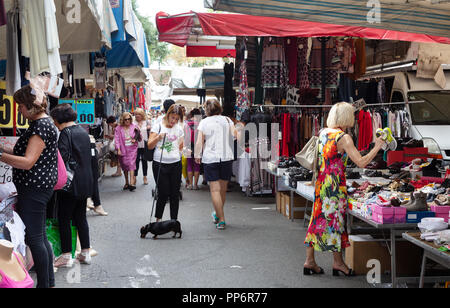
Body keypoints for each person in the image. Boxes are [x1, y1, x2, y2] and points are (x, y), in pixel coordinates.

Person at [303, 102, 386, 277]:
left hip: (321, 183)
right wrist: (378, 146)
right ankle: (338, 263)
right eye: (352, 115)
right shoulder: (344, 138)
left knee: (317, 220)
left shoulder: (323, 133)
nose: (355, 118)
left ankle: (310, 261)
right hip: (334, 186)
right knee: (336, 223)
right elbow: (362, 162)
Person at [0, 84, 58, 288]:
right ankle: (48, 282)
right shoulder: (43, 123)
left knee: (35, 238)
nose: (18, 111)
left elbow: (27, 161)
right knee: (39, 235)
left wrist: (0, 155)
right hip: (38, 187)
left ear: (30, 107)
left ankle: (44, 283)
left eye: (21, 107)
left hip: (34, 189)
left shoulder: (40, 126)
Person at [50, 104, 94, 268]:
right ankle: (85, 252)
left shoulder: (65, 134)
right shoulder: (83, 131)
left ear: (58, 120)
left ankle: (67, 254)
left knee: (64, 218)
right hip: (85, 181)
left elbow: (62, 158)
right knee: (81, 217)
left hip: (70, 183)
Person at [195, 99, 238, 230]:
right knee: (222, 190)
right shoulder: (227, 120)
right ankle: (218, 215)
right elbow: (235, 136)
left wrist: (197, 155)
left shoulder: (204, 122)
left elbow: (199, 141)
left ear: (207, 110)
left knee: (215, 190)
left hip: (210, 158)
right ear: (219, 108)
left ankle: (221, 219)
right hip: (226, 157)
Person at [148, 105, 184, 222]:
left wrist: (183, 151)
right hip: (160, 163)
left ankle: (174, 221)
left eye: (177, 119)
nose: (174, 121)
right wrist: (158, 137)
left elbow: (181, 146)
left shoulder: (179, 129)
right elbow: (149, 145)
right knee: (163, 193)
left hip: (175, 164)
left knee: (174, 194)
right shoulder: (158, 126)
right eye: (172, 117)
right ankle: (158, 220)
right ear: (167, 114)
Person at [115, 112, 139, 191]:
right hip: (123, 148)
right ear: (122, 120)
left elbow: (138, 135)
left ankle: (132, 183)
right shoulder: (118, 128)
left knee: (131, 164)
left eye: (129, 119)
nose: (127, 121)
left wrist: (135, 138)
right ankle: (127, 182)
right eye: (126, 119)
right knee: (125, 165)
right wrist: (118, 149)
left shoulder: (134, 126)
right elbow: (117, 139)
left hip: (132, 148)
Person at [184, 109, 201, 190]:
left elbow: (184, 136)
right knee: (197, 165)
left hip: (188, 145)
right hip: (197, 146)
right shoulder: (200, 124)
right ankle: (195, 185)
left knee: (189, 165)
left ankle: (190, 184)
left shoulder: (186, 123)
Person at [134, 108, 151, 185]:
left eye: (139, 114)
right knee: (136, 161)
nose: (137, 116)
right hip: (135, 145)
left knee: (144, 161)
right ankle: (134, 177)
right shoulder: (133, 122)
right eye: (136, 114)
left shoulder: (146, 122)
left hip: (145, 145)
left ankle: (145, 177)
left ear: (142, 115)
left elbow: (151, 132)